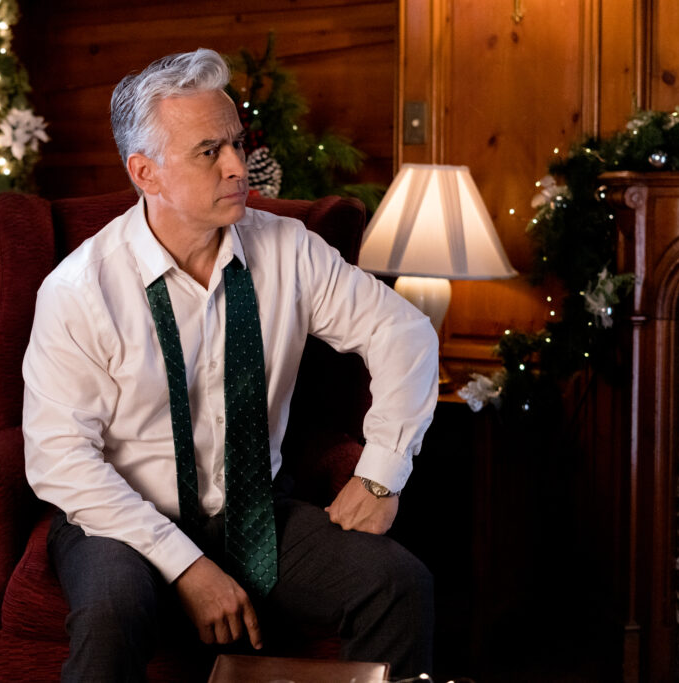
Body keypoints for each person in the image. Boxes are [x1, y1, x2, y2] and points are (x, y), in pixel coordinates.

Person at [22, 47, 438, 681]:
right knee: (112, 610)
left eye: (237, 143)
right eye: (209, 151)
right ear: (146, 172)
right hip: (120, 520)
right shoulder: (80, 290)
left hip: (255, 512)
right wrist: (186, 566)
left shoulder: (289, 252)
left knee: (397, 583)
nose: (239, 167)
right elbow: (61, 460)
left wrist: (382, 473)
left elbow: (404, 331)